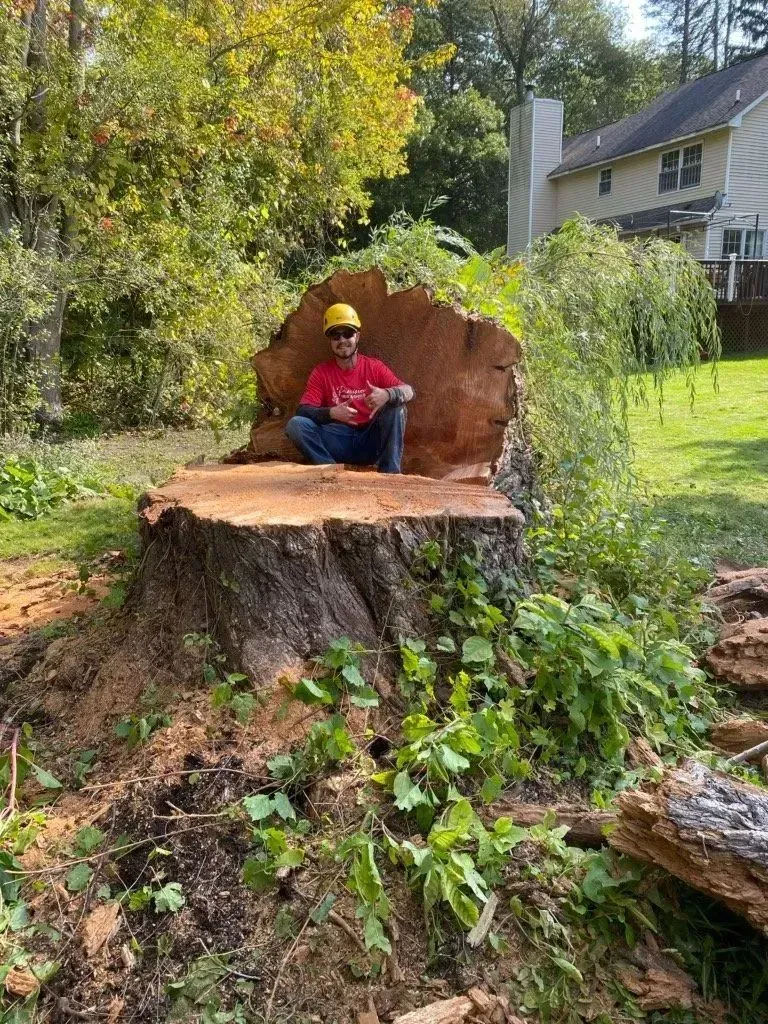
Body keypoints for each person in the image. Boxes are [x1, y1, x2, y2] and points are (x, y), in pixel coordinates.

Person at [285, 303, 414, 473]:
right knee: (296, 425)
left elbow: (409, 391)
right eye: (335, 336)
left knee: (397, 408)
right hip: (338, 439)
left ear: (357, 337)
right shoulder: (321, 373)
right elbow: (303, 410)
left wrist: (387, 394)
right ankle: (330, 470)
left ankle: (390, 473)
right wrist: (332, 413)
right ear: (330, 341)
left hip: (370, 440)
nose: (342, 340)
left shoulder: (374, 367)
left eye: (347, 334)